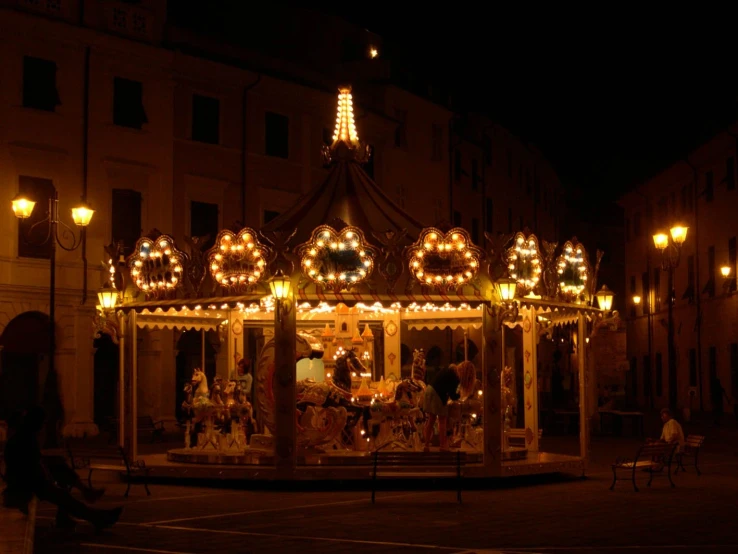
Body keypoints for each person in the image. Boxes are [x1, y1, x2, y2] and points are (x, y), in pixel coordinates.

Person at [2, 407, 123, 531]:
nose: (44, 427)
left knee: (58, 467)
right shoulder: (26, 438)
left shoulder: (25, 436)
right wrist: (52, 484)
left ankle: (82, 501)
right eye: (43, 423)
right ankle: (95, 516)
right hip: (23, 484)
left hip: (26, 480)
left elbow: (37, 465)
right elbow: (35, 469)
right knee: (63, 494)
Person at [423, 361, 476, 452]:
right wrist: (459, 395)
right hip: (438, 394)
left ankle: (426, 445)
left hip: (429, 390)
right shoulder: (456, 377)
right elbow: (453, 395)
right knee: (442, 420)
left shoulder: (450, 368)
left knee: (431, 420)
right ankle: (443, 446)